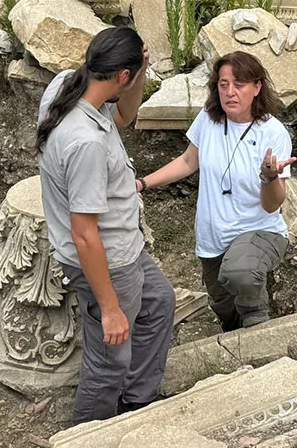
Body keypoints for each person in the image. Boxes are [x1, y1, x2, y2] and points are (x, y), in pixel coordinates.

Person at [35, 28, 176, 424]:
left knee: (160, 302)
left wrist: (140, 71)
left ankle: (137, 403)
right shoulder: (87, 144)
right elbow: (84, 233)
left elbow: (125, 115)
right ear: (121, 77)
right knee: (110, 358)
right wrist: (111, 308)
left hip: (124, 247)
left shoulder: (68, 84)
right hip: (109, 260)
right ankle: (89, 432)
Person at [137, 51, 295, 331]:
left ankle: (260, 330)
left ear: (257, 88)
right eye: (224, 85)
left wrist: (269, 178)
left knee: (240, 274)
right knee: (223, 307)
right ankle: (235, 343)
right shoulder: (208, 120)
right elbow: (187, 161)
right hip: (212, 238)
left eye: (239, 85)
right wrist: (142, 183)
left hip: (259, 229)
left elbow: (273, 205)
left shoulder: (273, 133)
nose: (230, 93)